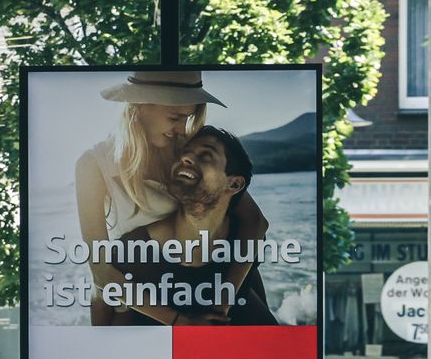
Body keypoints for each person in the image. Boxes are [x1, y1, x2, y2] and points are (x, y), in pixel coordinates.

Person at [73, 71, 268, 325]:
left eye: (187, 118)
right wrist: (180, 322)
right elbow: (101, 272)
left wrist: (222, 301)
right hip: (153, 305)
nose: (181, 129)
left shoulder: (188, 152)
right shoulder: (95, 166)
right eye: (175, 117)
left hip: (224, 288)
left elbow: (255, 223)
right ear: (140, 106)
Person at [98, 125, 279, 327]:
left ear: (234, 185)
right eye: (184, 153)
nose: (185, 158)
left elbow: (260, 309)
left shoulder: (243, 240)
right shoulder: (132, 253)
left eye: (206, 156)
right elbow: (105, 317)